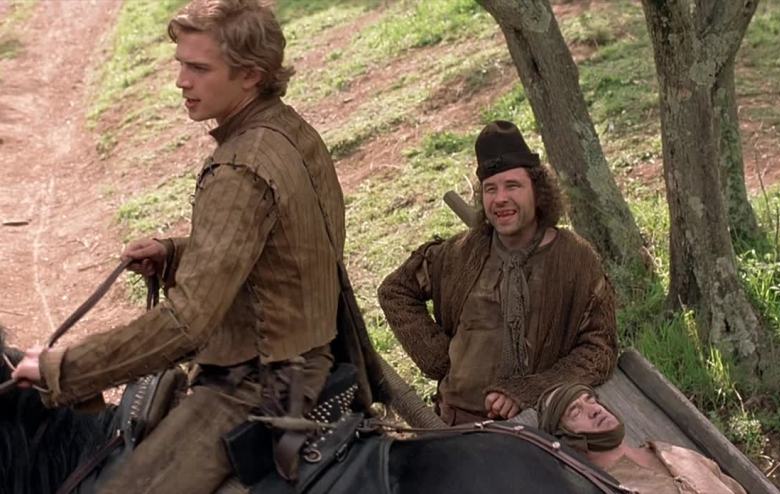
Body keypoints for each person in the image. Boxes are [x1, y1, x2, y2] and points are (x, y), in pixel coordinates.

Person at [12, 0, 345, 492]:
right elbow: (288, 251)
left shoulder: (239, 168)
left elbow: (186, 326)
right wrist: (175, 254)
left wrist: (62, 369)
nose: (181, 82)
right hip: (311, 356)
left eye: (199, 68)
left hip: (257, 384)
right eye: (181, 64)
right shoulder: (290, 131)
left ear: (250, 76)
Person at [378, 120, 618, 426]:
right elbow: (395, 291)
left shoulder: (575, 259)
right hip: (457, 424)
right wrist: (440, 358)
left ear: (538, 191)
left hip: (540, 424)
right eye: (490, 189)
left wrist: (530, 390)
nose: (500, 198)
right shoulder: (459, 254)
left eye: (512, 186)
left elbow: (600, 350)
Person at [537, 382, 748, 494]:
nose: (594, 410)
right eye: (575, 412)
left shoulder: (672, 452)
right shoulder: (607, 487)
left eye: (591, 401)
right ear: (565, 438)